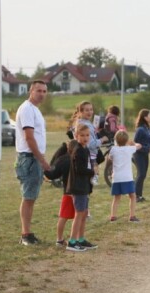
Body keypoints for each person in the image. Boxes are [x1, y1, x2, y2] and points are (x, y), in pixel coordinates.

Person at [15, 80, 51, 245]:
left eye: (44, 91)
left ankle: (28, 233)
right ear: (31, 91)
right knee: (28, 197)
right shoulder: (27, 109)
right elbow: (29, 137)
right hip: (29, 158)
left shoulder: (34, 109)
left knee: (31, 197)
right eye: (39, 91)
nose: (42, 94)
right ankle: (25, 235)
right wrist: (41, 160)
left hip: (33, 158)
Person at [66, 124, 99, 252]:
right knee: (79, 213)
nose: (85, 138)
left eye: (87, 135)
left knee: (84, 213)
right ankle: (72, 241)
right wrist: (92, 172)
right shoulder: (78, 150)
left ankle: (81, 239)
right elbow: (79, 169)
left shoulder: (85, 149)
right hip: (78, 186)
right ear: (76, 136)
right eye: (82, 135)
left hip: (84, 186)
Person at [43, 140, 79, 246]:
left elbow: (53, 174)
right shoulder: (76, 159)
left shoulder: (64, 159)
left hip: (68, 193)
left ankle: (60, 239)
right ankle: (76, 239)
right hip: (78, 192)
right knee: (78, 217)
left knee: (64, 217)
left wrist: (45, 170)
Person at [71, 101, 109, 186]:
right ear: (81, 112)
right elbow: (90, 144)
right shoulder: (84, 124)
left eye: (91, 109)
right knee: (88, 183)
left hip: (89, 154)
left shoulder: (85, 123)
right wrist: (102, 140)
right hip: (89, 154)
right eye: (87, 110)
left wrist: (96, 132)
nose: (90, 112)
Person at [109, 130, 142, 222]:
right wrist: (133, 143)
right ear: (127, 140)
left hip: (116, 178)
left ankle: (113, 216)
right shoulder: (129, 149)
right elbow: (139, 146)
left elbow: (110, 157)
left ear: (116, 140)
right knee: (132, 196)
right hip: (127, 177)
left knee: (116, 197)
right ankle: (132, 216)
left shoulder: (113, 149)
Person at [133, 109, 150, 202]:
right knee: (141, 174)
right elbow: (135, 144)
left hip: (144, 155)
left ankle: (139, 195)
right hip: (138, 155)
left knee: (143, 175)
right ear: (145, 117)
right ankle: (136, 196)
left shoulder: (149, 129)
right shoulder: (140, 130)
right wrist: (148, 149)